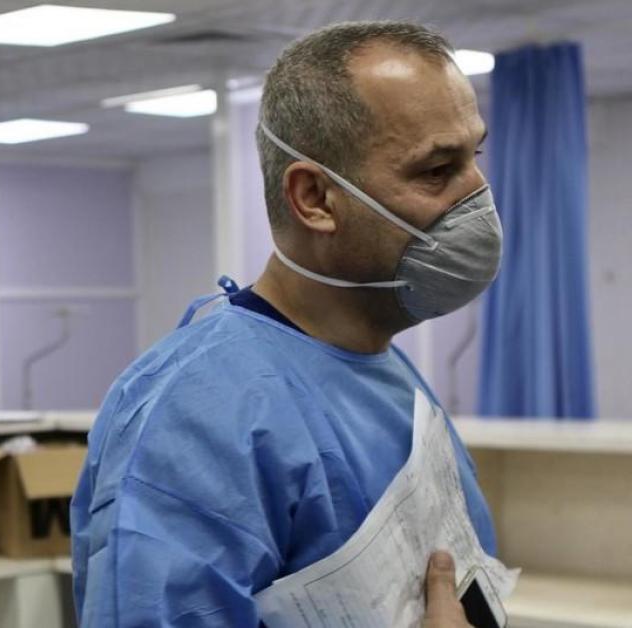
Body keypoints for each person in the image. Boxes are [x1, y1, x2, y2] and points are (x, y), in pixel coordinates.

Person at [71, 21, 502, 626]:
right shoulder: (198, 414)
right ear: (315, 199)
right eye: (436, 170)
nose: (478, 194)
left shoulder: (382, 369)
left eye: (473, 157)